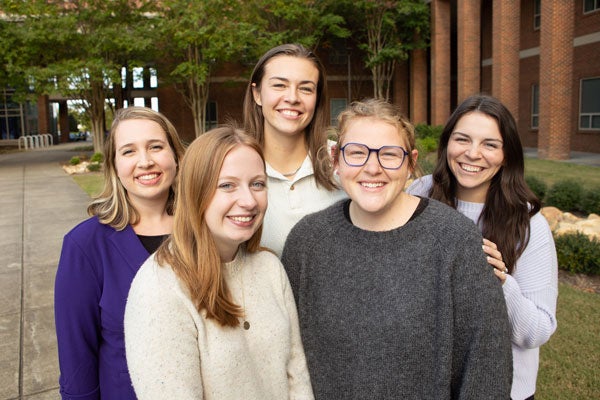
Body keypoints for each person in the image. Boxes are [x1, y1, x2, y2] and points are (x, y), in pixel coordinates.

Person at [282, 99, 513, 399]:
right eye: (357, 153)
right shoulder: (307, 241)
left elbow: (487, 369)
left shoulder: (456, 242)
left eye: (389, 155)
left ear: (411, 162)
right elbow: (285, 355)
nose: (372, 168)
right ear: (335, 159)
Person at [124, 126, 314, 400]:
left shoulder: (270, 268)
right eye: (227, 185)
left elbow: (297, 375)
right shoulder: (158, 288)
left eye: (258, 184)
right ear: (195, 192)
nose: (248, 201)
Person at [407, 94, 558, 400]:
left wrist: (501, 281)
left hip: (502, 389)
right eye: (462, 139)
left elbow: (537, 332)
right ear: (447, 142)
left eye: (490, 144)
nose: (473, 154)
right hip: (427, 384)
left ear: (506, 155)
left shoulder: (528, 223)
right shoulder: (419, 194)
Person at [54, 107, 186, 399]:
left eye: (156, 146)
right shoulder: (85, 245)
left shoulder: (204, 230)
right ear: (114, 166)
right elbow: (77, 361)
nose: (145, 161)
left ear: (176, 155)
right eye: (128, 151)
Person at [243, 43, 346, 256]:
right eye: (279, 85)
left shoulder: (344, 162)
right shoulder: (230, 166)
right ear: (257, 94)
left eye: (306, 88)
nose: (292, 98)